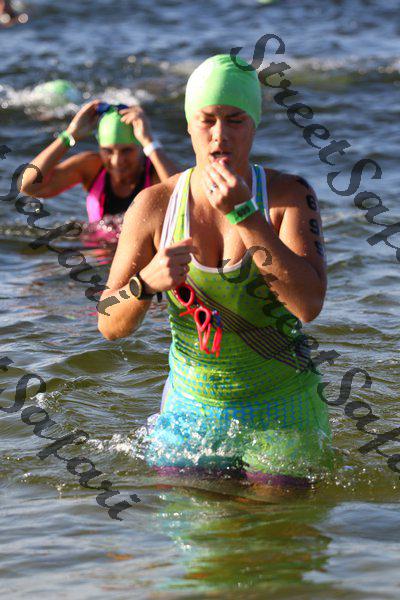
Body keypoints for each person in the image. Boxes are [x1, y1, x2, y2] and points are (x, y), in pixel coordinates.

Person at [98, 54, 332, 488]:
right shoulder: (154, 205)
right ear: (189, 126)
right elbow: (108, 323)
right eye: (207, 120)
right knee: (197, 522)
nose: (220, 135)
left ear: (254, 125)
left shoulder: (288, 195)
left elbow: (308, 305)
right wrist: (144, 284)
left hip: (282, 404)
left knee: (278, 519)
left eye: (235, 120)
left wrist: (247, 216)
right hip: (192, 410)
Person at [20, 101, 178, 222]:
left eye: (126, 150)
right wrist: (70, 135)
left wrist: (149, 141)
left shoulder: (155, 173)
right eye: (108, 151)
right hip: (96, 251)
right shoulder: (92, 167)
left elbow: (182, 200)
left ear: (140, 147)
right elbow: (28, 186)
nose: (117, 161)